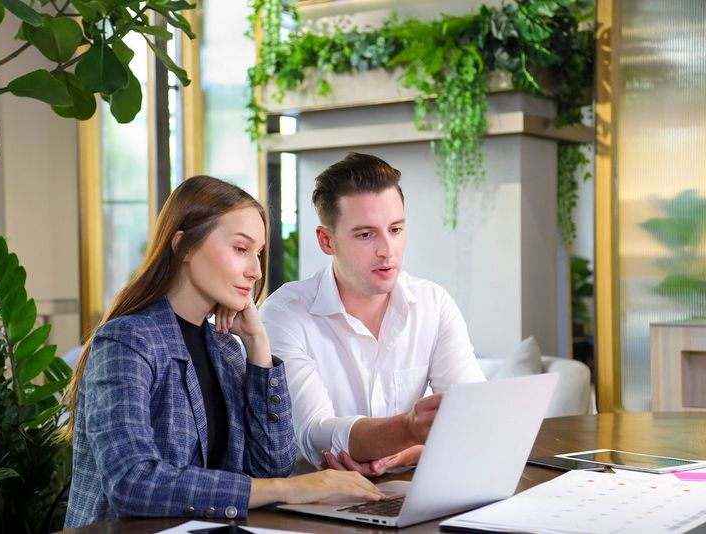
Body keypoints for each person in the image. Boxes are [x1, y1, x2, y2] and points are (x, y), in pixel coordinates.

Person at [61, 176, 385, 528]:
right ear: (183, 246)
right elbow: (133, 483)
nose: (256, 270)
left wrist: (259, 349)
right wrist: (289, 489)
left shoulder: (226, 350)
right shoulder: (127, 342)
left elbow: (271, 465)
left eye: (259, 253)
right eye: (240, 249)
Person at [260, 153, 486, 476]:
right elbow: (316, 435)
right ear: (327, 240)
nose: (387, 250)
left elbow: (475, 416)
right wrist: (408, 431)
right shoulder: (284, 315)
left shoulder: (433, 305)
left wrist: (407, 452)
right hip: (313, 508)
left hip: (412, 495)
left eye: (395, 229)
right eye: (366, 234)